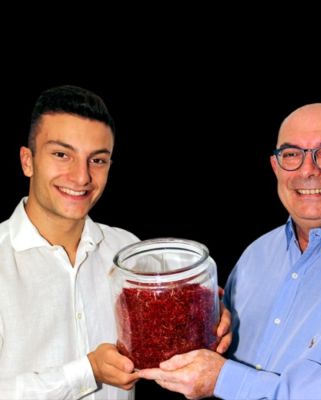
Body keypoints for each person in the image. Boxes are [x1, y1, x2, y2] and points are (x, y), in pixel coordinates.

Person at [137, 103, 321, 399]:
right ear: (276, 167)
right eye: (292, 155)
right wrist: (205, 324)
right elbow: (211, 361)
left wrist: (225, 380)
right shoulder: (257, 255)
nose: (308, 170)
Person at [0, 85, 231, 399]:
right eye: (61, 155)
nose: (81, 177)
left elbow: (186, 308)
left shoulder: (127, 252)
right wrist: (88, 371)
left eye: (97, 160)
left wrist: (212, 315)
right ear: (27, 161)